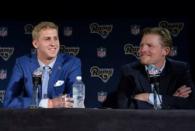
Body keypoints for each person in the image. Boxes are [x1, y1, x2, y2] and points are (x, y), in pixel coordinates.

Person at [3, 21, 81, 108]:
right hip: (30, 119)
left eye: (55, 38)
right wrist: (48, 103)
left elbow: (76, 100)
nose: (53, 43)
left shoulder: (71, 63)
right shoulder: (22, 63)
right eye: (47, 39)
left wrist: (65, 102)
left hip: (60, 119)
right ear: (36, 44)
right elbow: (9, 101)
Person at [115, 27, 195, 109]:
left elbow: (191, 104)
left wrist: (148, 97)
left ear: (165, 51)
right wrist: (171, 101)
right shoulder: (129, 71)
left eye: (149, 46)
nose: (143, 49)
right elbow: (125, 106)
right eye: (141, 45)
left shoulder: (180, 69)